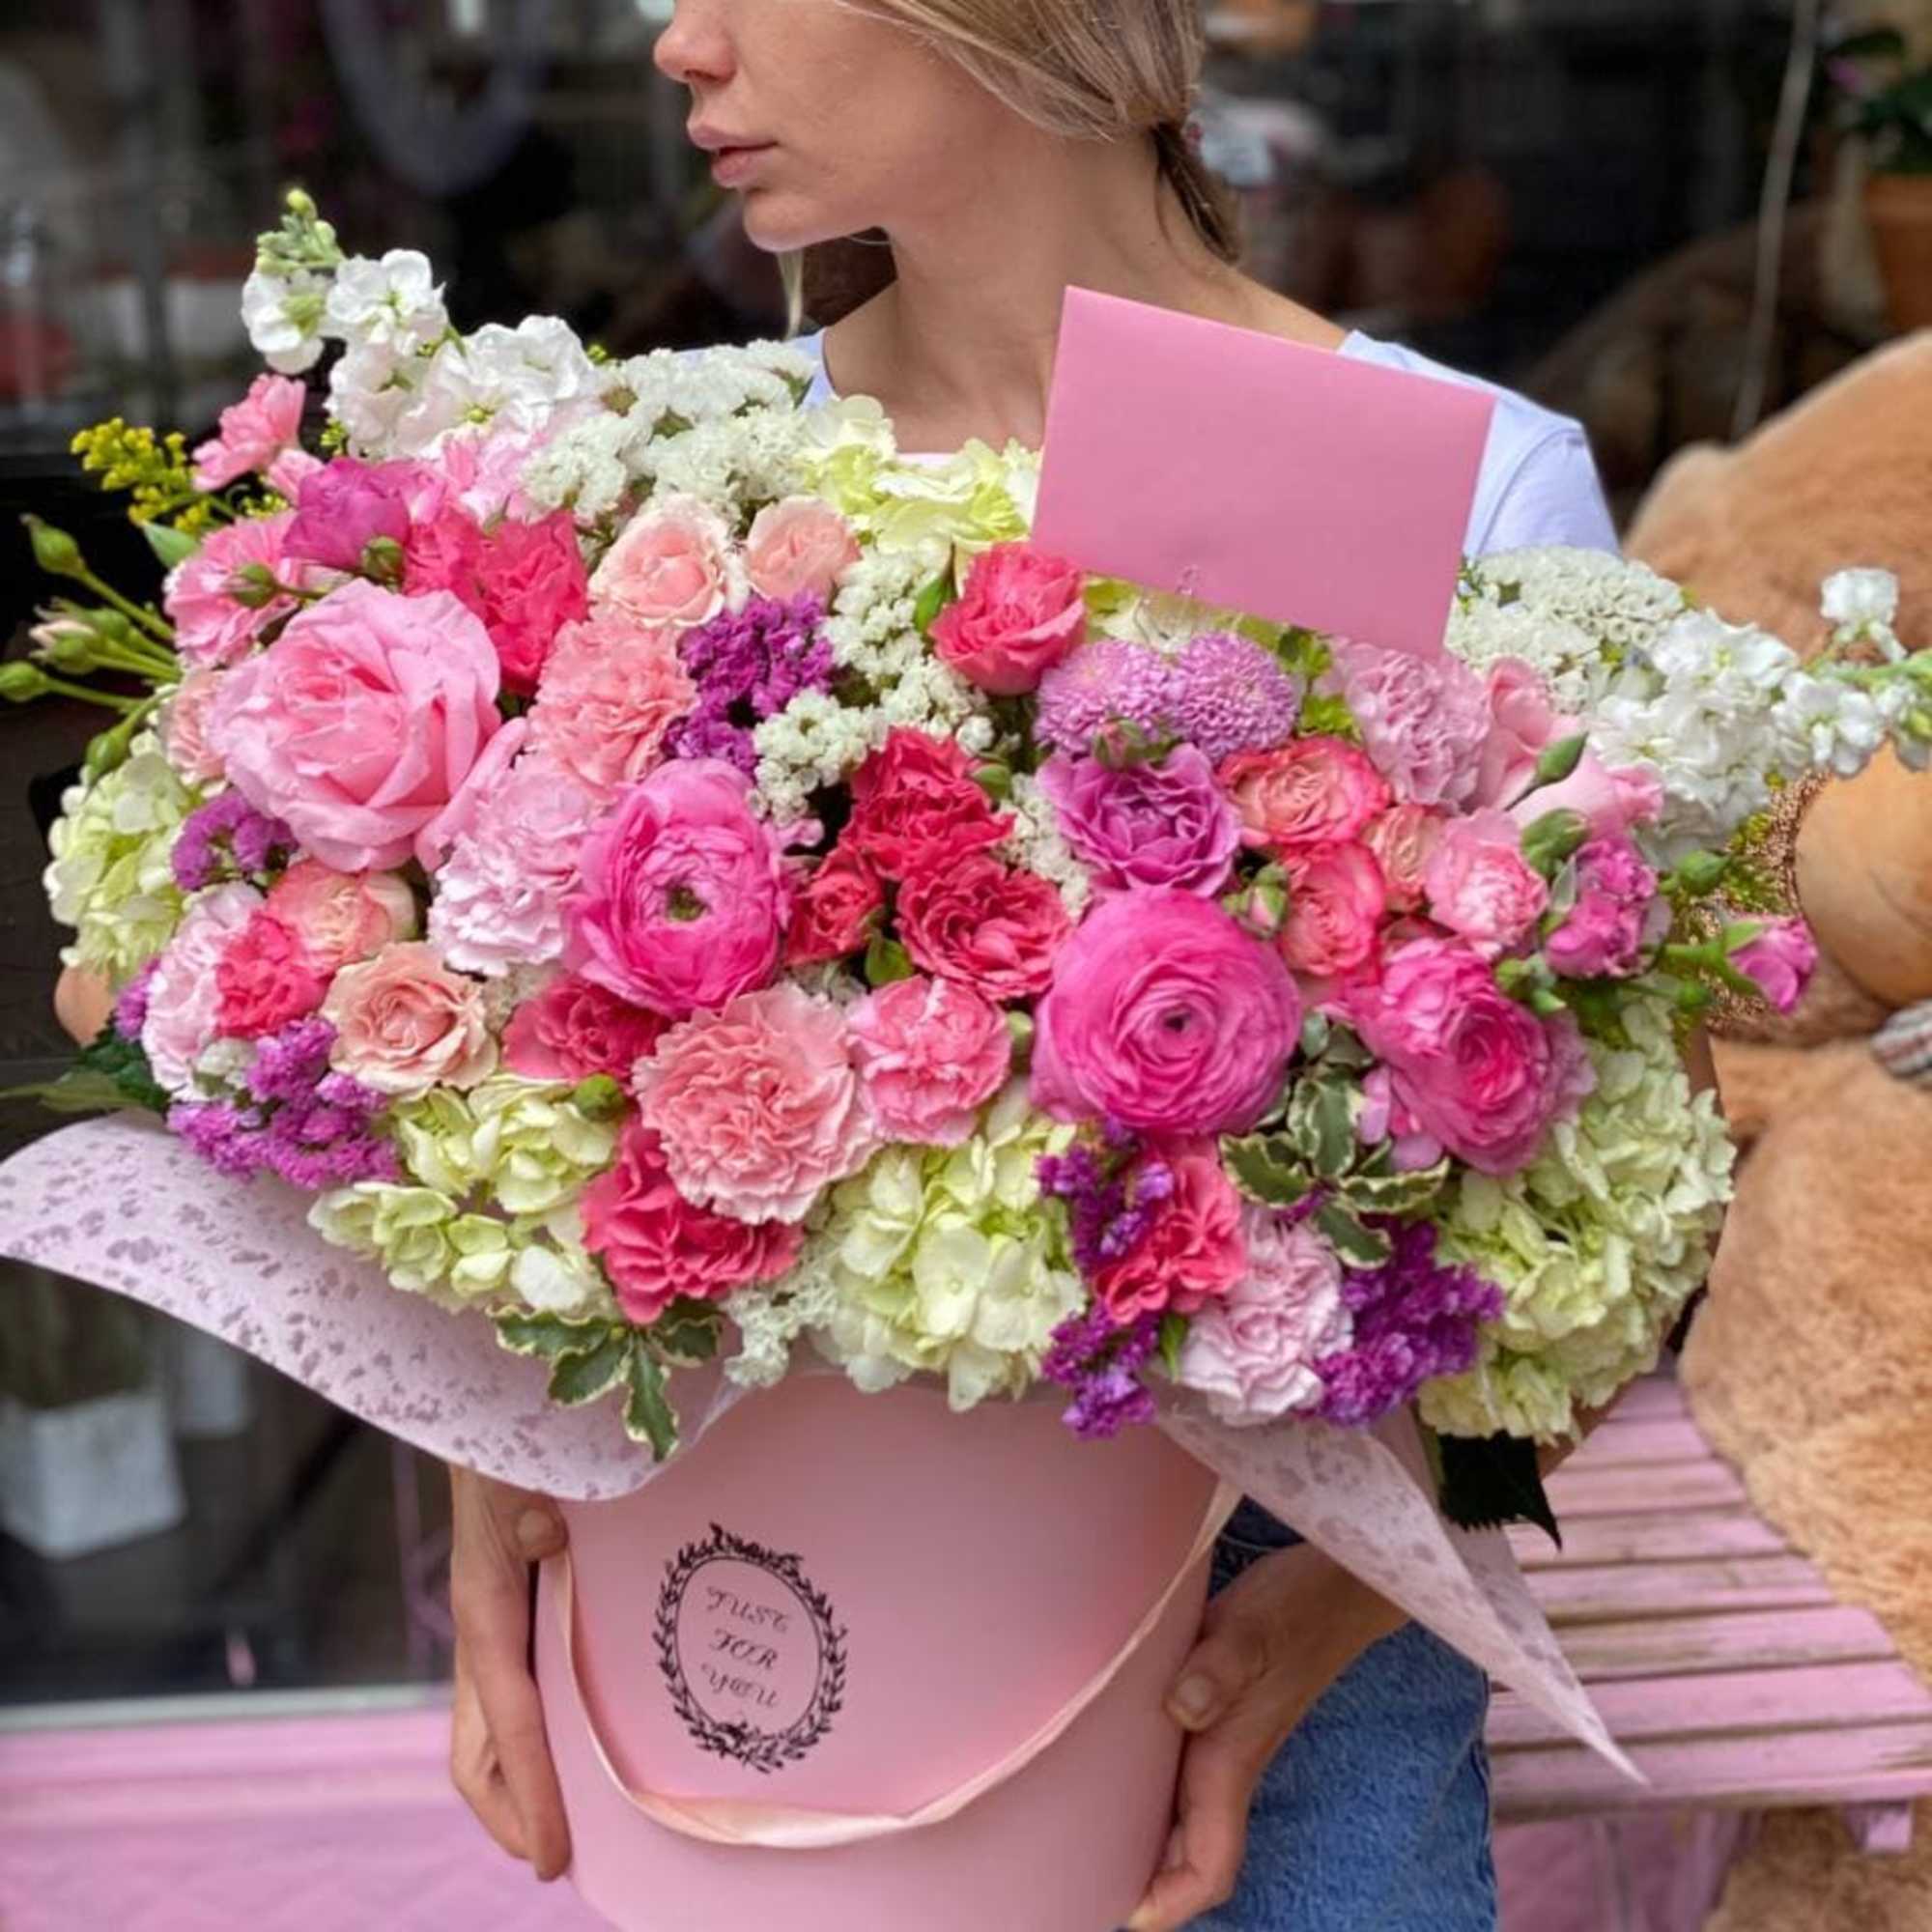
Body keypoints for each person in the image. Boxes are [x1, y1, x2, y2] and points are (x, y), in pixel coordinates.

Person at [446, 3, 1621, 1928]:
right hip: (761, 1647)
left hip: (1273, 1668)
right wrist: (491, 1492)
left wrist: (1323, 1614)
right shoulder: (679, 484)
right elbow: (508, 1096)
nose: (677, 43)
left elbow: (1601, 1205)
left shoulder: (1450, 488)